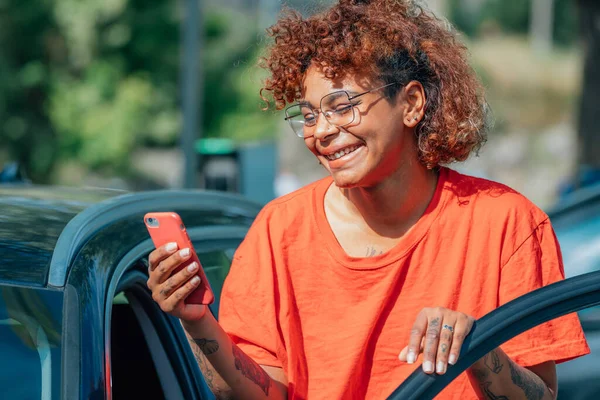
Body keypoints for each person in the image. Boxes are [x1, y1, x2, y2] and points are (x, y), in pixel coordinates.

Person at [146, 1, 589, 398]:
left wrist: (479, 347)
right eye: (309, 114)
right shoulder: (278, 230)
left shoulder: (507, 224)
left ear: (411, 104)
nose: (320, 131)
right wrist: (196, 319)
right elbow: (257, 393)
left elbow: (540, 397)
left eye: (343, 106)